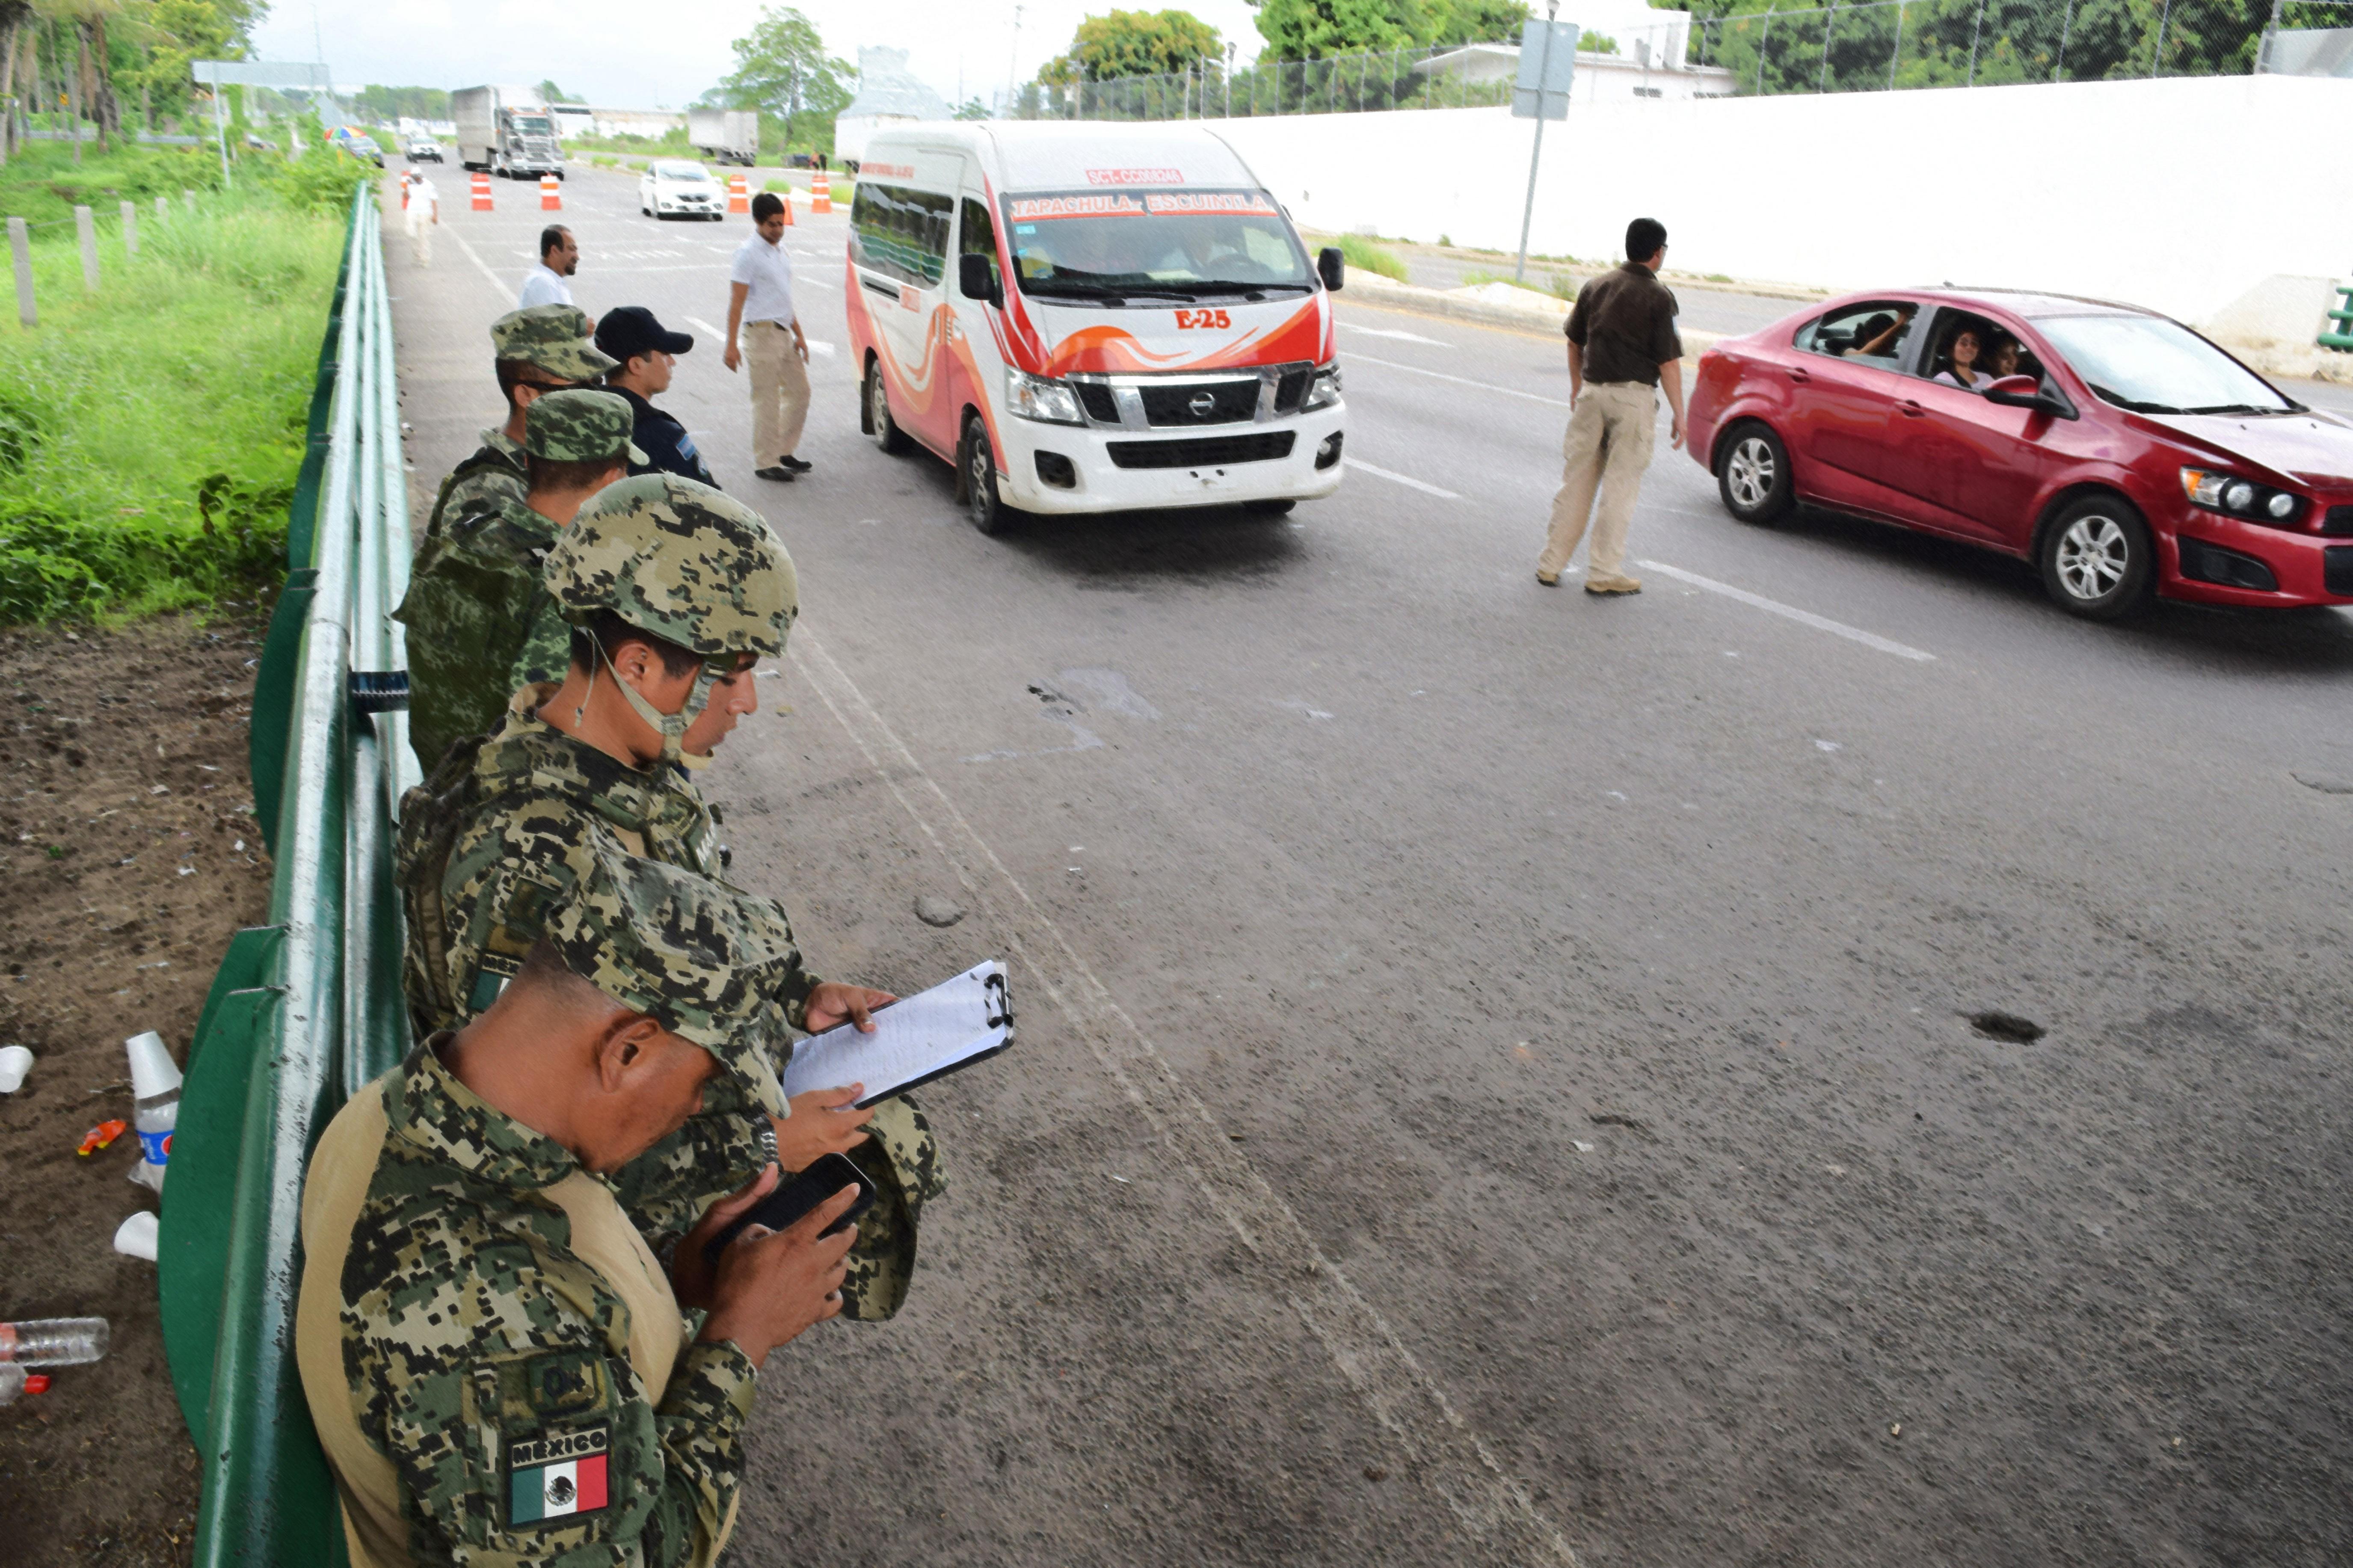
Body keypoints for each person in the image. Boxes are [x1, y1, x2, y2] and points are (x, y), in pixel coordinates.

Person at [394, 476, 944, 1319]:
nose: (749, 701)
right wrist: (764, 1145)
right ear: (639, 666)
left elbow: (669, 940)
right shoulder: (525, 860)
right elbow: (537, 1139)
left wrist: (794, 996)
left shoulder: (629, 768)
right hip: (606, 1268)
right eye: (733, 675)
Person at [296, 879, 861, 1567]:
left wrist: (675, 1278)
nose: (696, 1106)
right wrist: (739, 1340)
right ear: (627, 1051)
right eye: (704, 1079)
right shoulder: (494, 1322)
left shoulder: (413, 1108)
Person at [397, 389, 643, 768]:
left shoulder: (465, 539)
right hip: (504, 789)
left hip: (441, 773)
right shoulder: (569, 588)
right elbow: (553, 733)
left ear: (528, 461)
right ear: (613, 479)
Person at [1536, 216, 1687, 597]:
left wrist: (1577, 387)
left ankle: (1550, 564)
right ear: (1658, 253)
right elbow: (1669, 363)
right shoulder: (1659, 297)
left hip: (1592, 395)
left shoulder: (1596, 286)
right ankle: (1603, 572)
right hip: (1632, 401)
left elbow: (1574, 341)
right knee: (1619, 489)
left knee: (1576, 483)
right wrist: (1680, 414)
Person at [420, 305, 616, 550]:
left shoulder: (565, 461)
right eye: (577, 389)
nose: (593, 397)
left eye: (595, 383)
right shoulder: (486, 492)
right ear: (526, 395)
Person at [723, 193, 811, 483]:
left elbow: (784, 298)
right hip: (760, 334)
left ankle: (783, 451)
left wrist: (800, 335)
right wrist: (731, 345)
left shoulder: (781, 252)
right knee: (767, 400)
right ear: (758, 222)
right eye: (772, 225)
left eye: (781, 223)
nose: (778, 230)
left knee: (800, 392)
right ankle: (766, 462)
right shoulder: (747, 254)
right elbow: (737, 302)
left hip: (784, 333)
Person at [596, 306, 718, 486]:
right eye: (665, 354)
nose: (672, 362)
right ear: (637, 366)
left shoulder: (581, 409)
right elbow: (708, 496)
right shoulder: (660, 433)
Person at [520, 225, 582, 310]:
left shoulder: (553, 281)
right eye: (572, 249)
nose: (577, 257)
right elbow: (551, 318)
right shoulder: (543, 283)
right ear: (554, 251)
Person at [1935, 325, 1991, 391]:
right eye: (1963, 343)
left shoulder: (1987, 379)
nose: (1970, 347)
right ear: (1951, 349)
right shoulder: (1943, 379)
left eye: (1974, 343)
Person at [403, 168, 437, 267]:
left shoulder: (429, 185)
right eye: (414, 177)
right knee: (411, 234)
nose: (416, 179)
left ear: (421, 176)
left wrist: (435, 215)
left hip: (425, 213)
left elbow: (434, 200)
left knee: (424, 236)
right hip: (412, 212)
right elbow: (406, 197)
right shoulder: (411, 185)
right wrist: (407, 186)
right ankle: (417, 254)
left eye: (417, 177)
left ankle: (425, 259)